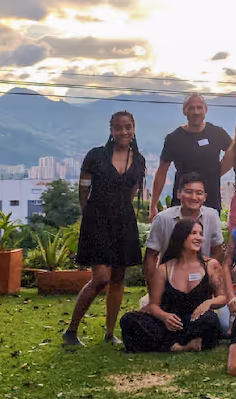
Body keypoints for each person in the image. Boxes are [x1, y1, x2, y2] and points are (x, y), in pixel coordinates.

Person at [64, 111, 147, 347]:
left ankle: (110, 334)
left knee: (119, 278)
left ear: (133, 128)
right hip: (97, 220)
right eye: (118, 128)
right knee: (101, 278)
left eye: (128, 127)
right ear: (111, 130)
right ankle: (71, 331)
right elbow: (83, 189)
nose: (123, 132)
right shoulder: (96, 156)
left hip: (124, 222)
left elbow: (131, 194)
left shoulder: (139, 160)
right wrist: (88, 215)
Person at [120, 218, 227, 353]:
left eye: (200, 234)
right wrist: (164, 317)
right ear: (181, 237)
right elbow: (153, 305)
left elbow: (223, 297)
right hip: (169, 322)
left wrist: (209, 303)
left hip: (195, 321)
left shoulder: (211, 265)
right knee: (129, 320)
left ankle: (166, 343)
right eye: (193, 233)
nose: (199, 238)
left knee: (210, 320)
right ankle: (179, 346)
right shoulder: (164, 269)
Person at [142, 173, 228, 331]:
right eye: (188, 191)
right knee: (138, 320)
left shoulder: (212, 216)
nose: (194, 197)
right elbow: (150, 257)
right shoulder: (163, 219)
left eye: (199, 193)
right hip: (169, 284)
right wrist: (154, 292)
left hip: (201, 285)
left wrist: (209, 279)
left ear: (205, 196)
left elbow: (218, 250)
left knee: (221, 325)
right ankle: (176, 341)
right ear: (178, 194)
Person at [151, 94, 231, 219]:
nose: (196, 112)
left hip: (211, 201)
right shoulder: (174, 138)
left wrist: (217, 172)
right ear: (184, 111)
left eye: (199, 107)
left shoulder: (217, 133)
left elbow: (234, 153)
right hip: (182, 202)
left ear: (206, 109)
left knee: (209, 237)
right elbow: (162, 171)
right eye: (191, 108)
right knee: (179, 237)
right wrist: (153, 205)